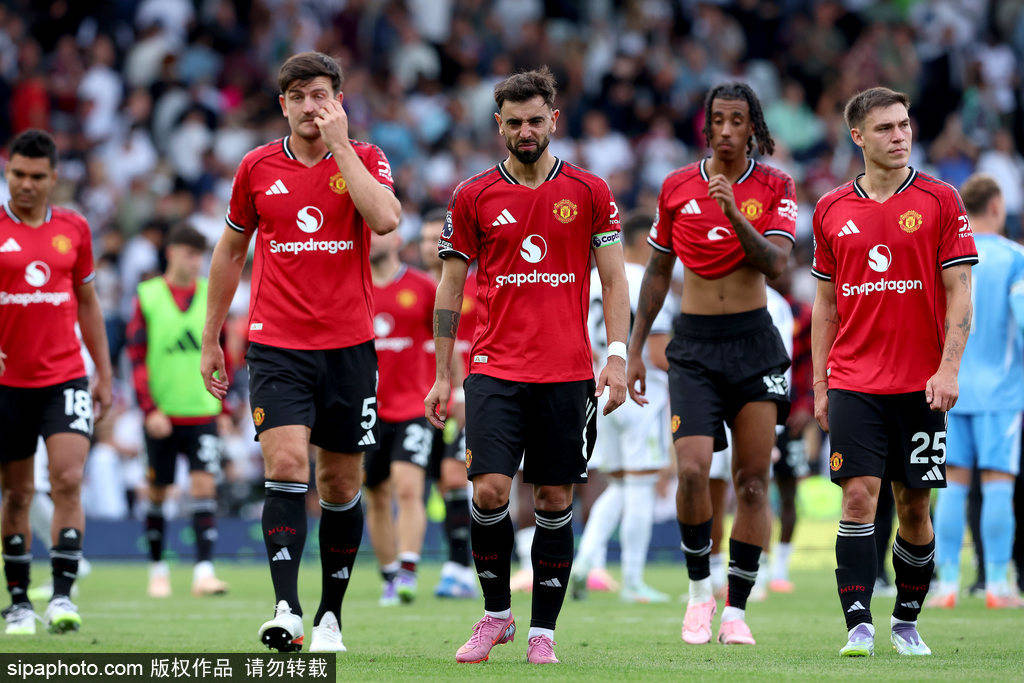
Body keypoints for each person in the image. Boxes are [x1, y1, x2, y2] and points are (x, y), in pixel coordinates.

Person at [425, 66, 629, 665]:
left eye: (535, 120)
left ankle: (544, 632)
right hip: (494, 369)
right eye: (514, 123)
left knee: (554, 498)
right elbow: (450, 289)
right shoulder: (473, 195)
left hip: (567, 372)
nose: (525, 131)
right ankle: (496, 616)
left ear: (554, 121)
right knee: (489, 491)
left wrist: (617, 356)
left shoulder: (590, 191)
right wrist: (442, 373)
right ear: (499, 126)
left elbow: (615, 281)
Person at [200, 51, 400, 653]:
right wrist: (212, 335)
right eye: (298, 97)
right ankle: (285, 609)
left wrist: (340, 148)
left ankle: (329, 616)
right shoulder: (256, 166)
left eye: (321, 95)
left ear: (338, 101)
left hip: (349, 347)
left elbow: (386, 220)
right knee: (285, 465)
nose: (311, 107)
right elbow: (230, 252)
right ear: (282, 104)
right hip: (276, 345)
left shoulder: (366, 157)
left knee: (338, 482)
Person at [628, 82, 797, 646]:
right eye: (718, 119)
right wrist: (634, 349)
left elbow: (777, 263)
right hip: (695, 347)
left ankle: (736, 611)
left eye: (737, 120)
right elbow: (657, 273)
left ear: (753, 128)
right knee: (693, 471)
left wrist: (733, 212)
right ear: (707, 126)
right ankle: (700, 593)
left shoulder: (775, 185)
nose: (726, 129)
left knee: (752, 483)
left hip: (754, 343)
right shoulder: (677, 185)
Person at [810, 87, 977, 657]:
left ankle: (906, 621)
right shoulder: (831, 209)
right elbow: (825, 306)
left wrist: (948, 370)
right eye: (885, 128)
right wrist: (821, 384)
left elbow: (961, 293)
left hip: (921, 385)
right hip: (854, 380)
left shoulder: (940, 199)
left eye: (904, 125)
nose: (899, 136)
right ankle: (858, 625)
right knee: (858, 497)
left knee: (914, 506)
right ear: (857, 136)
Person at [0, 129, 113, 634]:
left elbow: (88, 303)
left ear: (53, 178)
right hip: (9, 385)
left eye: (36, 176)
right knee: (17, 493)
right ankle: (19, 603)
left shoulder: (74, 228)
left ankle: (62, 598)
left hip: (65, 377)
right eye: (17, 174)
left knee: (67, 479)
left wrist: (103, 372)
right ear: (8, 172)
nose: (25, 184)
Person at [931, 174, 1024, 609]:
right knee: (999, 483)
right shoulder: (1015, 257)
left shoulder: (947, 254)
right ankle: (998, 586)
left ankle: (947, 583)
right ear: (997, 206)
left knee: (952, 484)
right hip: (1002, 392)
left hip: (951, 387)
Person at [572, 212, 673, 605]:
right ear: (645, 241)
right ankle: (632, 580)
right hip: (641, 393)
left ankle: (584, 561)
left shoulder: (595, 280)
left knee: (618, 484)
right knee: (642, 484)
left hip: (600, 387)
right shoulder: (650, 282)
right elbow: (660, 354)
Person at [127, 223, 229, 599]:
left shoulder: (210, 294)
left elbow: (224, 352)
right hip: (162, 414)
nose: (196, 262)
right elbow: (136, 356)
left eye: (200, 255)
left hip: (202, 410)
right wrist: (148, 409)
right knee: (158, 492)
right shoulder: (148, 296)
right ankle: (158, 570)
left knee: (205, 486)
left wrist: (224, 405)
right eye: (190, 253)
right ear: (171, 252)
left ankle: (204, 572)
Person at [364, 228, 437, 605]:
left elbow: (446, 342)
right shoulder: (354, 285)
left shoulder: (423, 287)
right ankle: (389, 574)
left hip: (413, 407)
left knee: (408, 488)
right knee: (375, 495)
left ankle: (408, 570)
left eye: (378, 231)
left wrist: (453, 389)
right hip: (366, 409)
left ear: (395, 239)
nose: (370, 238)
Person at [419, 209, 476, 599]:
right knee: (439, 482)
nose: (430, 246)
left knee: (456, 477)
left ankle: (460, 568)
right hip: (416, 400)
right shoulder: (412, 287)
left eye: (435, 238)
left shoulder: (472, 285)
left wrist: (462, 392)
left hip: (464, 396)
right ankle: (452, 564)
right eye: (424, 240)